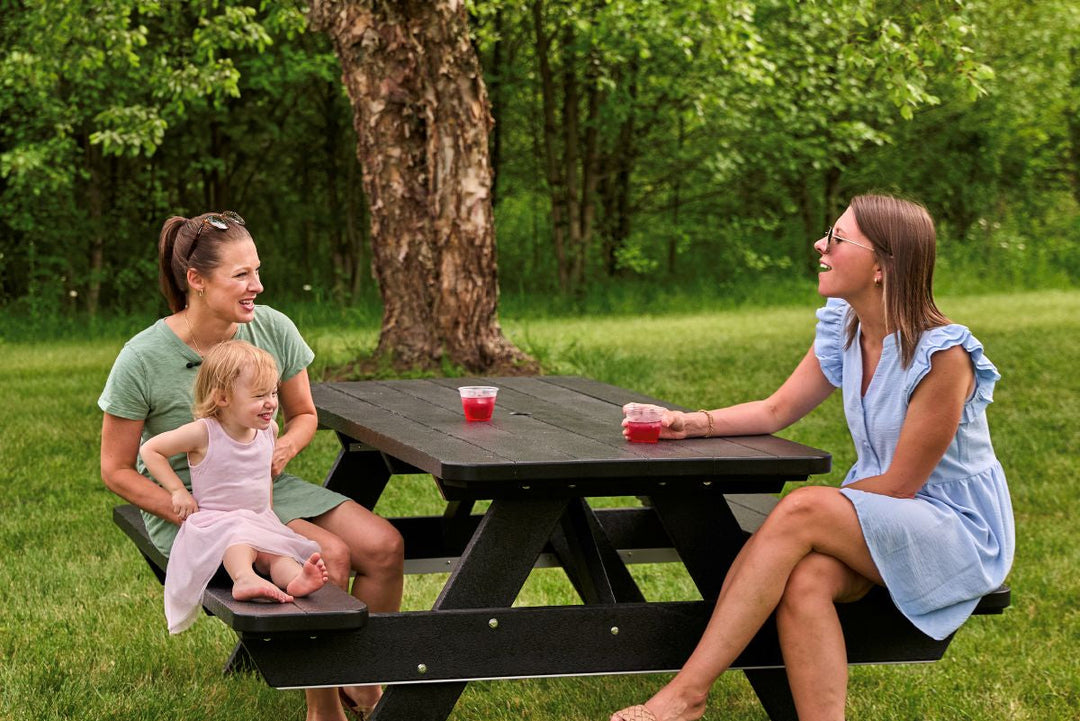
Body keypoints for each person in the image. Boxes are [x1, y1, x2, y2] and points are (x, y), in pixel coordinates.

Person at [611, 194, 1015, 721]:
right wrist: (692, 423)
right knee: (806, 580)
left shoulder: (944, 356)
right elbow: (777, 409)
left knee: (801, 511)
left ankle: (685, 696)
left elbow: (900, 485)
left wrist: (816, 511)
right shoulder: (846, 325)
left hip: (955, 529)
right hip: (883, 512)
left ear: (882, 265)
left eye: (839, 238)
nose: (821, 244)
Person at [100, 211, 403, 721]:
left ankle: (360, 679)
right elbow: (116, 470)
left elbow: (304, 414)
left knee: (384, 545)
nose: (256, 286)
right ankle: (323, 707)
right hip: (202, 506)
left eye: (256, 271)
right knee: (328, 554)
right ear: (196, 281)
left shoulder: (273, 328)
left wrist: (282, 449)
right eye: (241, 275)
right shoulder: (143, 358)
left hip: (266, 488)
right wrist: (187, 510)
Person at [140, 340, 330, 634]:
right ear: (223, 398)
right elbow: (151, 450)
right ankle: (244, 578)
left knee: (276, 552)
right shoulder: (204, 433)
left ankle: (295, 580)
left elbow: (262, 477)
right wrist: (177, 491)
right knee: (238, 537)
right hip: (216, 523)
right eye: (258, 395)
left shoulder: (269, 431)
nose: (271, 403)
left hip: (256, 518)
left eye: (273, 392)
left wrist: (267, 518)